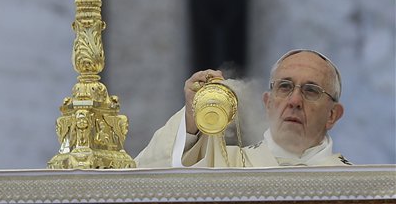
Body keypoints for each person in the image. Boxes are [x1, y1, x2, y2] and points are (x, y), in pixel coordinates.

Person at [135, 49, 352, 167]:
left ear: (332, 115)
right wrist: (194, 117)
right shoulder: (225, 163)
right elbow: (147, 178)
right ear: (268, 103)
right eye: (284, 87)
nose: (294, 101)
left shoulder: (356, 187)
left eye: (311, 90)